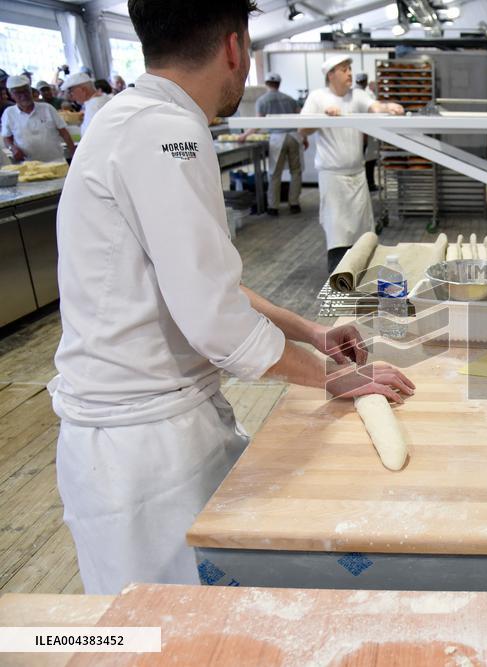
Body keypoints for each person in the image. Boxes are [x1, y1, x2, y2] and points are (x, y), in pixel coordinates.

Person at [50, 0, 415, 595]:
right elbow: (217, 323)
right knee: (162, 637)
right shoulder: (168, 133)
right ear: (233, 47)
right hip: (144, 450)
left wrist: (312, 332)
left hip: (156, 428)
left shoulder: (126, 118)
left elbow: (199, 283)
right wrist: (334, 378)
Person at [299, 55, 404, 273]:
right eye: (344, 69)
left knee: (363, 232)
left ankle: (364, 274)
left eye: (350, 69)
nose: (350, 74)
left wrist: (388, 107)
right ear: (331, 75)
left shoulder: (357, 95)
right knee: (337, 232)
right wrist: (322, 116)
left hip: (357, 177)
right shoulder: (318, 97)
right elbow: (303, 130)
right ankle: (339, 279)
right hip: (333, 178)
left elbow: (373, 106)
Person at [238, 71, 304, 216]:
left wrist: (244, 135)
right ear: (279, 84)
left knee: (275, 173)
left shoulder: (262, 101)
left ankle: (273, 207)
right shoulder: (290, 99)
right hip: (293, 136)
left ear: (267, 84)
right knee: (296, 172)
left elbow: (258, 123)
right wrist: (303, 137)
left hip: (277, 139)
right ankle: (294, 204)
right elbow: (301, 120)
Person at [1, 74, 75, 163]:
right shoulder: (9, 113)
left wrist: (75, 155)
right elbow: (7, 137)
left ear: (30, 91)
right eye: (18, 93)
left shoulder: (47, 108)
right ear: (11, 95)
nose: (23, 95)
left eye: (26, 91)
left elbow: (64, 133)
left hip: (56, 161)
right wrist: (12, 148)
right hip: (29, 165)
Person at [62, 72, 112, 137]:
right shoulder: (100, 99)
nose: (73, 97)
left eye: (72, 93)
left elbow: (93, 135)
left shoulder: (94, 105)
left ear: (83, 90)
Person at [356, 73, 379, 192]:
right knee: (368, 160)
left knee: (367, 159)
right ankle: (369, 184)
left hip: (366, 132)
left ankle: (368, 184)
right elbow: (363, 116)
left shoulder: (362, 93)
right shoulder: (362, 94)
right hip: (365, 133)